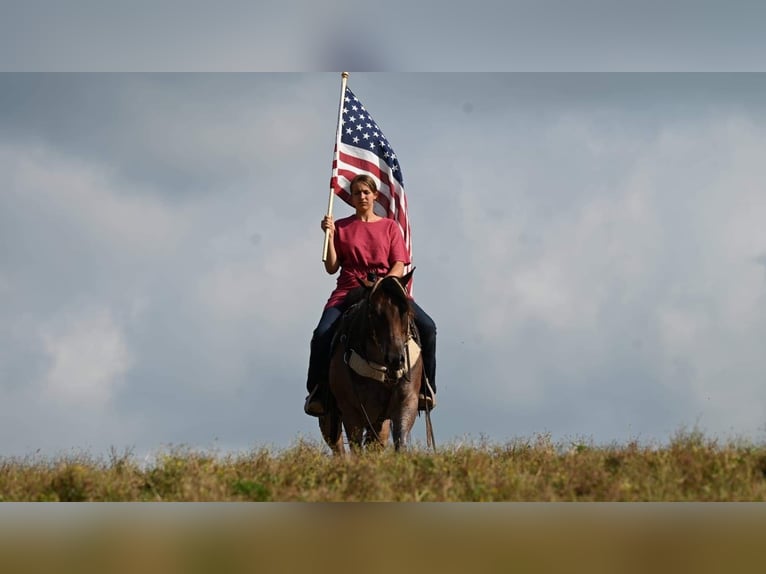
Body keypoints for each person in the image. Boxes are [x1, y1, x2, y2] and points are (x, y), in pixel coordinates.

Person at [304, 174, 437, 417]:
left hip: (387, 289)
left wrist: (386, 282)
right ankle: (318, 392)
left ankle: (426, 388)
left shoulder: (389, 226)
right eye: (357, 193)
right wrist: (330, 236)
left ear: (375, 195)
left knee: (428, 327)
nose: (362, 196)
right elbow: (331, 267)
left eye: (366, 192)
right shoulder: (342, 227)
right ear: (352, 198)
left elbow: (399, 263)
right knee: (321, 333)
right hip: (350, 287)